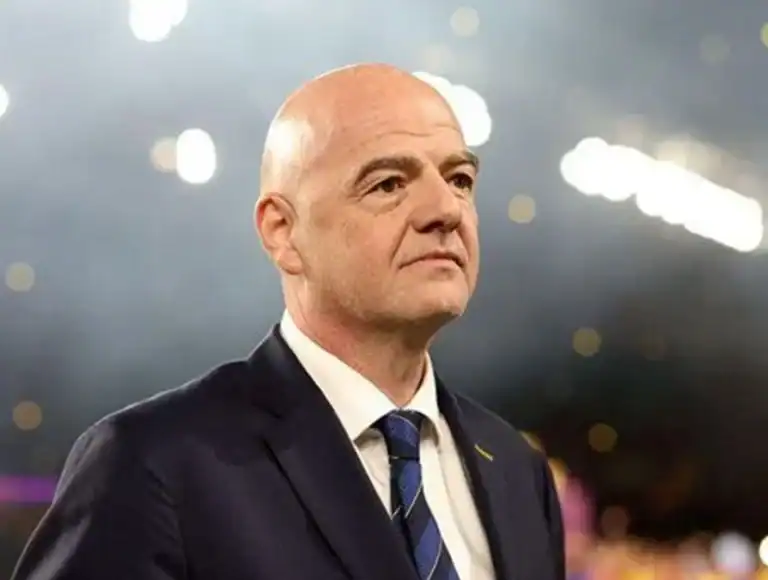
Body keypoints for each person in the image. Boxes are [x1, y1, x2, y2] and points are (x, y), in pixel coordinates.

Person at [11, 63, 565, 580]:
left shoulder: (516, 470)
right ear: (282, 231)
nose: (445, 210)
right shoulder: (154, 463)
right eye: (388, 184)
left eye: (459, 179)